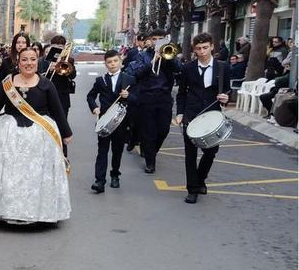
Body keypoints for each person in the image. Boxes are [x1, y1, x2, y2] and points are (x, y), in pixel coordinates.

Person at [0, 47, 72, 224]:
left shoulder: (46, 84)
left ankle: (33, 211)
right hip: (8, 132)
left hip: (39, 134)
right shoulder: (8, 83)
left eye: (33, 59)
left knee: (34, 174)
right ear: (18, 62)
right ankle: (5, 209)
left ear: (37, 61)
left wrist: (66, 133)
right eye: (24, 59)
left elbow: (57, 110)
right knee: (7, 172)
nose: (29, 63)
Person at [175, 33, 230, 204]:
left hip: (213, 116)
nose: (202, 51)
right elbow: (181, 93)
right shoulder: (187, 68)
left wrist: (226, 98)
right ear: (194, 50)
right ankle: (192, 189)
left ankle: (200, 179)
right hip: (191, 114)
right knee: (190, 154)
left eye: (205, 47)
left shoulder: (223, 67)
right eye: (198, 48)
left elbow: (227, 91)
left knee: (211, 152)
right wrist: (180, 113)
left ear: (212, 47)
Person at [126, 28, 181, 174]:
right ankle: (150, 162)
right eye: (154, 39)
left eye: (160, 39)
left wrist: (169, 58)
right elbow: (137, 74)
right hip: (146, 97)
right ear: (149, 40)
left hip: (164, 97)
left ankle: (151, 151)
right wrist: (153, 61)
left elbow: (178, 69)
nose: (157, 42)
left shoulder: (170, 54)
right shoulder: (142, 56)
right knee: (148, 130)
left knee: (163, 129)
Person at [86, 50, 137, 193]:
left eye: (115, 61)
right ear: (105, 64)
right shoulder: (100, 80)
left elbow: (138, 99)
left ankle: (115, 174)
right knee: (102, 150)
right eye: (109, 62)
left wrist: (128, 96)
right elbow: (90, 96)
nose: (113, 64)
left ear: (121, 62)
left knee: (117, 150)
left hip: (121, 121)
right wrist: (94, 107)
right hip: (104, 120)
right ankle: (99, 181)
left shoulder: (129, 79)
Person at [40, 35, 77, 120]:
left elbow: (73, 76)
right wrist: (50, 69)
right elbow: (40, 78)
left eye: (60, 47)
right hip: (47, 96)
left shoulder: (69, 60)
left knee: (62, 122)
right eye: (55, 47)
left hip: (63, 97)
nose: (58, 49)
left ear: (64, 48)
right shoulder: (44, 60)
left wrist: (64, 63)